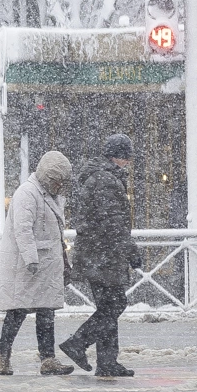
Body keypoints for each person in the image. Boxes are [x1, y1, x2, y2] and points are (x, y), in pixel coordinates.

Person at [59, 134, 142, 377]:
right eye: (127, 158)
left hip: (96, 253)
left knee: (107, 307)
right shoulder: (106, 180)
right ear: (119, 157)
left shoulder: (97, 177)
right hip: (103, 255)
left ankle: (107, 362)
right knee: (115, 304)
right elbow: (114, 224)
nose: (128, 163)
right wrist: (131, 250)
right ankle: (77, 343)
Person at [0, 151, 76, 376]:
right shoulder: (27, 194)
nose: (61, 185)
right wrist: (31, 260)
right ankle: (3, 354)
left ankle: (47, 360)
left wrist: (64, 261)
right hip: (28, 266)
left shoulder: (50, 195)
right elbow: (23, 229)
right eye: (58, 180)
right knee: (18, 310)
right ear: (48, 177)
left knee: (46, 311)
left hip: (46, 265)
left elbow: (56, 232)